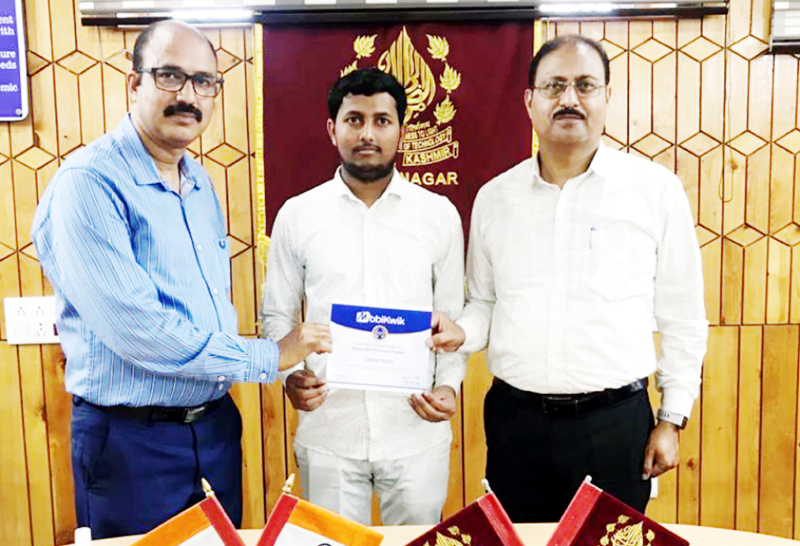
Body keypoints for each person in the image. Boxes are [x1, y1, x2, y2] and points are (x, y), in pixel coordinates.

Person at [30, 20, 331, 539]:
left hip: (214, 427)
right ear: (134, 83)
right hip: (131, 442)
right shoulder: (90, 183)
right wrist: (269, 355)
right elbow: (138, 331)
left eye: (204, 81)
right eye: (170, 76)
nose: (188, 95)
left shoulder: (198, 181)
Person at [428, 35, 708, 522]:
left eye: (585, 85)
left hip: (616, 427)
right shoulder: (495, 198)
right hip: (516, 425)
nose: (569, 98)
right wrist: (461, 333)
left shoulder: (654, 191)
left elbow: (683, 315)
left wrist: (672, 417)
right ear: (529, 101)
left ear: (607, 97)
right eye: (554, 85)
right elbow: (486, 303)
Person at [261, 68, 466, 526]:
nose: (368, 133)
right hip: (330, 429)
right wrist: (290, 375)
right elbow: (276, 315)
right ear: (332, 129)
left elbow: (451, 320)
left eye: (382, 120)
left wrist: (449, 387)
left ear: (401, 130)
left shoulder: (438, 214)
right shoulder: (298, 214)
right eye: (354, 120)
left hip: (415, 429)